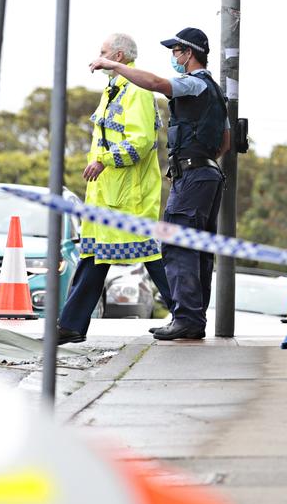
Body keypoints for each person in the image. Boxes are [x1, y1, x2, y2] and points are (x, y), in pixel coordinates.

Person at [90, 26, 230, 341]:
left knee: (178, 247)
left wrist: (115, 66)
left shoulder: (193, 83)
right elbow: (225, 142)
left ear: (189, 53)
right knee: (198, 251)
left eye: (176, 51)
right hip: (208, 175)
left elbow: (155, 83)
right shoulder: (215, 92)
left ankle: (187, 319)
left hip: (193, 177)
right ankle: (192, 319)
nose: (173, 57)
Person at [56, 33, 173, 344]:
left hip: (129, 197)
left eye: (103, 51)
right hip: (106, 196)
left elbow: (141, 142)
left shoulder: (136, 89)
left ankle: (186, 316)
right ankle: (70, 325)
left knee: (152, 256)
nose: (98, 56)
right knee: (93, 257)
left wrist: (103, 161)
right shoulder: (114, 89)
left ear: (119, 56)